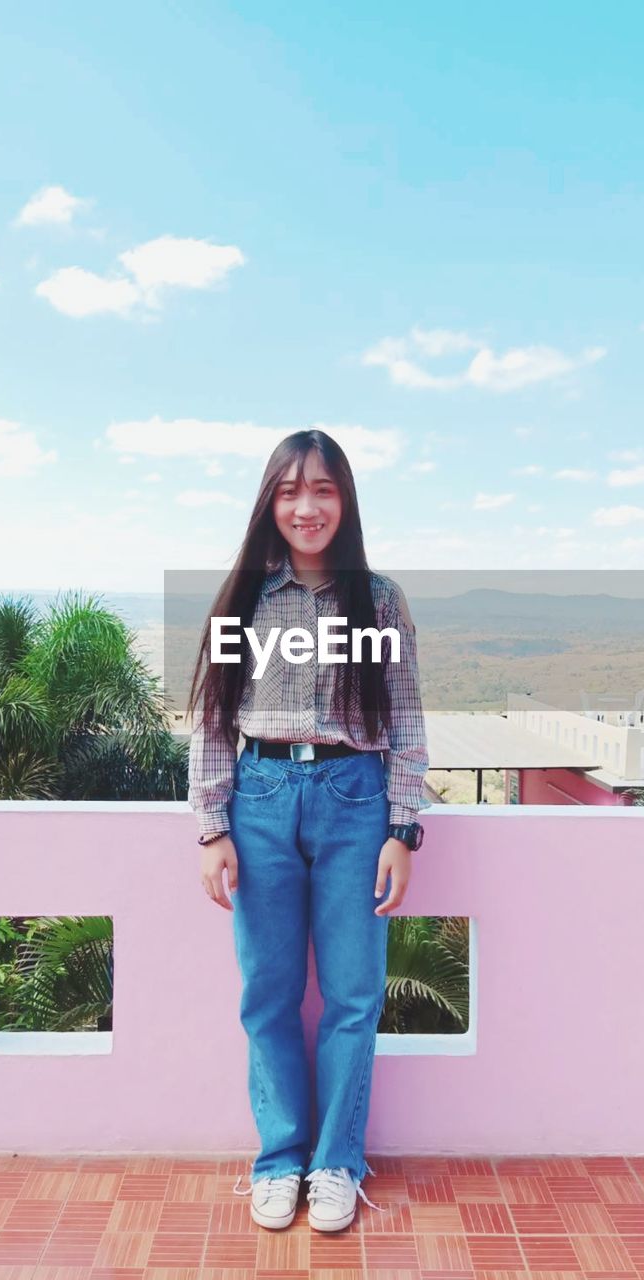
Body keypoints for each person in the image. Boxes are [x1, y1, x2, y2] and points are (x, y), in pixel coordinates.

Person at [186, 428, 428, 1233]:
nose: (306, 506)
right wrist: (210, 826)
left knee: (354, 994)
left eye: (322, 490)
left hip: (354, 796)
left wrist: (404, 827)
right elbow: (214, 718)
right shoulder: (244, 598)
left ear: (345, 500)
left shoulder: (380, 600)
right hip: (258, 797)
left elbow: (406, 719)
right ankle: (280, 1159)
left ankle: (336, 1163)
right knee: (270, 994)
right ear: (270, 502)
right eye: (291, 491)